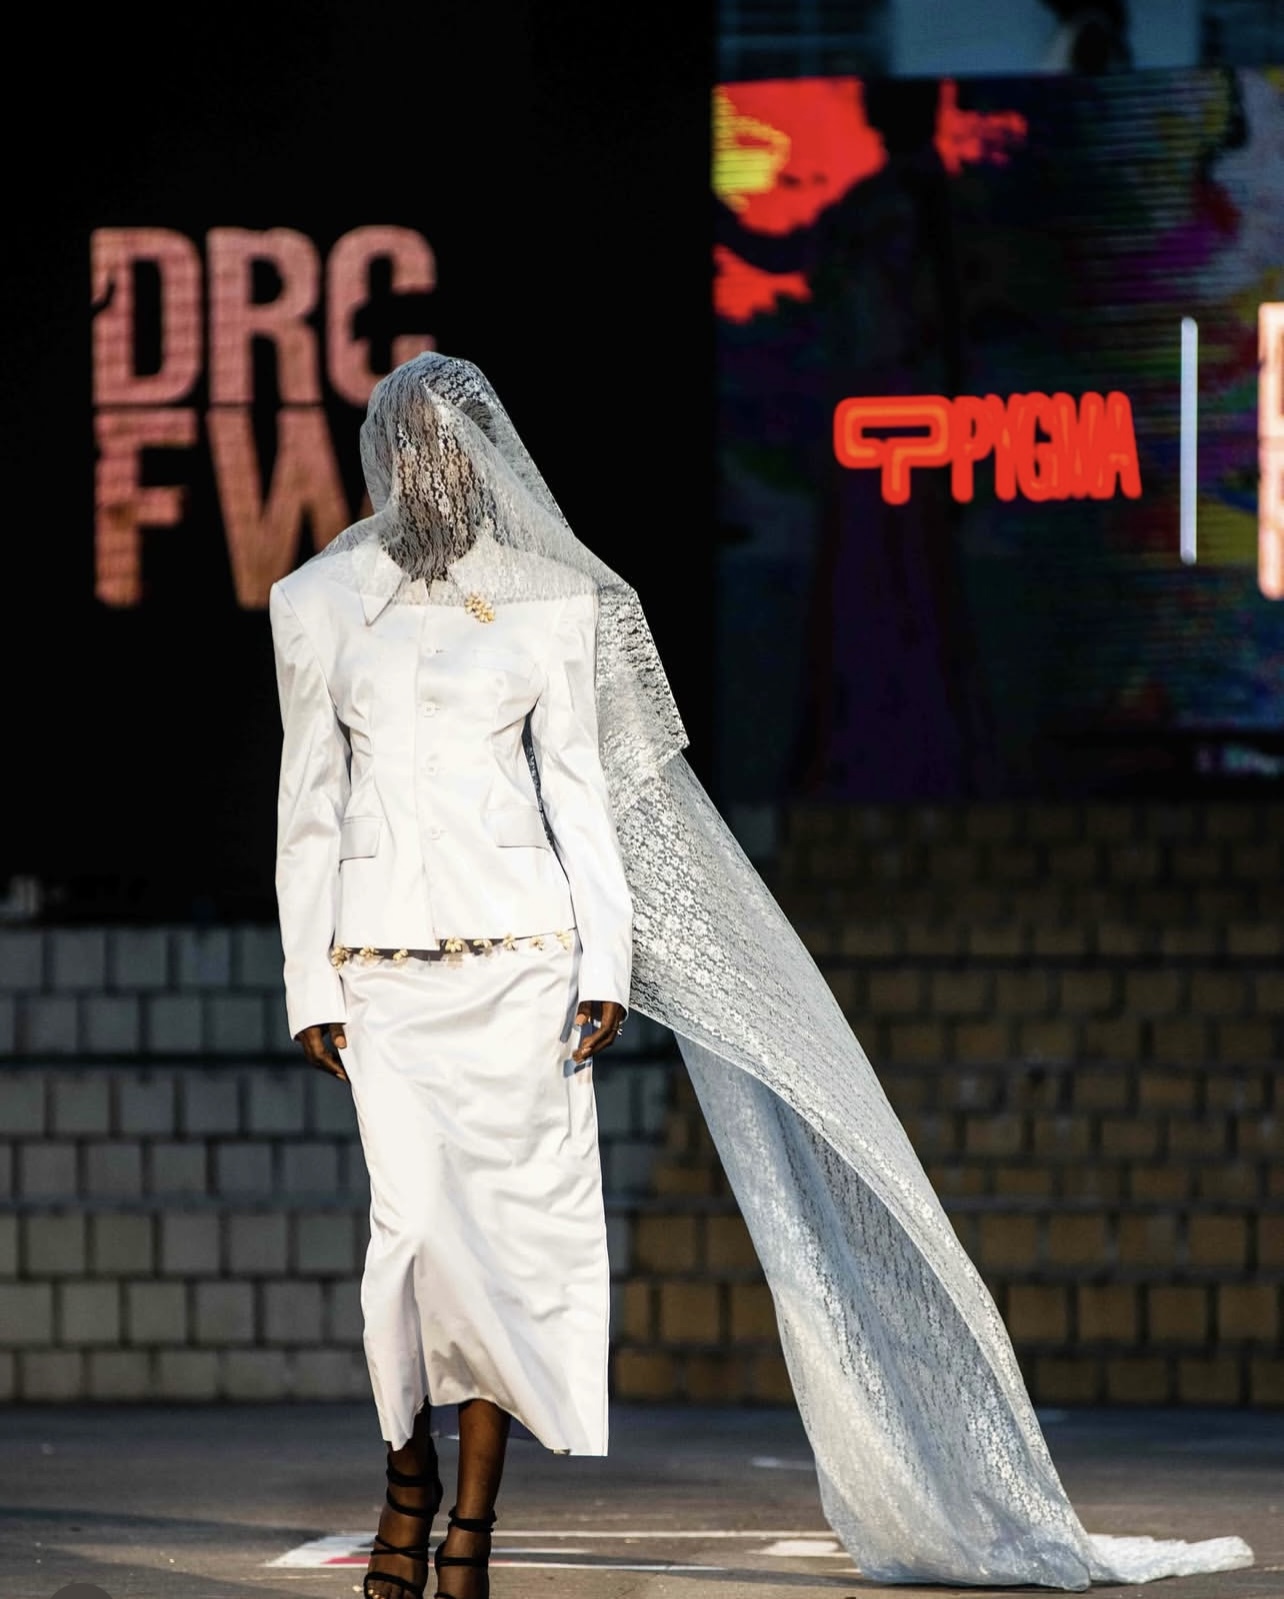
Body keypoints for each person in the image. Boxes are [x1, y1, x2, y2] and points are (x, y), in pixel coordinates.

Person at [270, 352, 1254, 1596]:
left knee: (509, 1257)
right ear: (383, 457)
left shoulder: (550, 603)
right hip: (386, 978)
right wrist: (309, 982)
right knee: (411, 1240)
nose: (433, 468)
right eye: (411, 446)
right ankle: (405, 1476)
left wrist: (608, 965)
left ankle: (467, 1525)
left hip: (525, 969)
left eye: (453, 446)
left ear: (485, 459)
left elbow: (582, 799)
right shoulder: (317, 603)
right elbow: (308, 805)